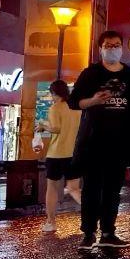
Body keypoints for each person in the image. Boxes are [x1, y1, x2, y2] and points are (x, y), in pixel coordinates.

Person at [65, 31, 130, 252]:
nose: (112, 48)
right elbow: (74, 102)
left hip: (121, 142)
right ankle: (88, 233)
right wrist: (93, 100)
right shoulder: (90, 74)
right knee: (92, 187)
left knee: (113, 188)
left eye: (116, 45)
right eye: (107, 45)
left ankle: (108, 232)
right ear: (100, 48)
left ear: (122, 48)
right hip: (94, 141)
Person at [41, 79, 81, 233]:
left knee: (51, 187)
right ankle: (92, 212)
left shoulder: (55, 108)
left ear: (53, 93)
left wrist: (43, 125)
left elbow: (56, 128)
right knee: (73, 188)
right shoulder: (76, 109)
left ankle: (51, 222)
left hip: (57, 154)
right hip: (73, 154)